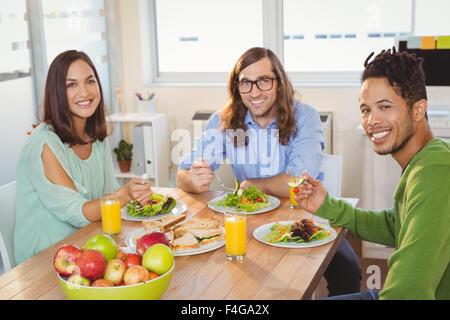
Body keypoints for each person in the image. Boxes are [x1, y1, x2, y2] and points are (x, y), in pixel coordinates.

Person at [176, 47, 362, 296]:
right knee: (228, 280)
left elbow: (299, 180)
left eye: (263, 81)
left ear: (278, 83)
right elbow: (183, 173)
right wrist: (193, 179)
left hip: (306, 216)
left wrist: (256, 184)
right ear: (236, 87)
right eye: (246, 83)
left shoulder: (305, 116)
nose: (254, 92)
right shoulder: (223, 121)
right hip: (249, 223)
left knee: (348, 270)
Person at [295, 48, 450, 300]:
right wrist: (328, 205)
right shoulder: (425, 160)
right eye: (366, 110)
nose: (371, 120)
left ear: (418, 110)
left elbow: (408, 291)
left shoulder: (435, 169)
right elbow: (396, 225)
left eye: (385, 106)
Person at [14, 50, 153, 265]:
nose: (84, 92)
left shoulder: (96, 139)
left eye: (90, 81)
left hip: (88, 248)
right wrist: (126, 194)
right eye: (71, 85)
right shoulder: (43, 145)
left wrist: (138, 200)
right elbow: (77, 212)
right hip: (45, 261)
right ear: (57, 92)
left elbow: (109, 193)